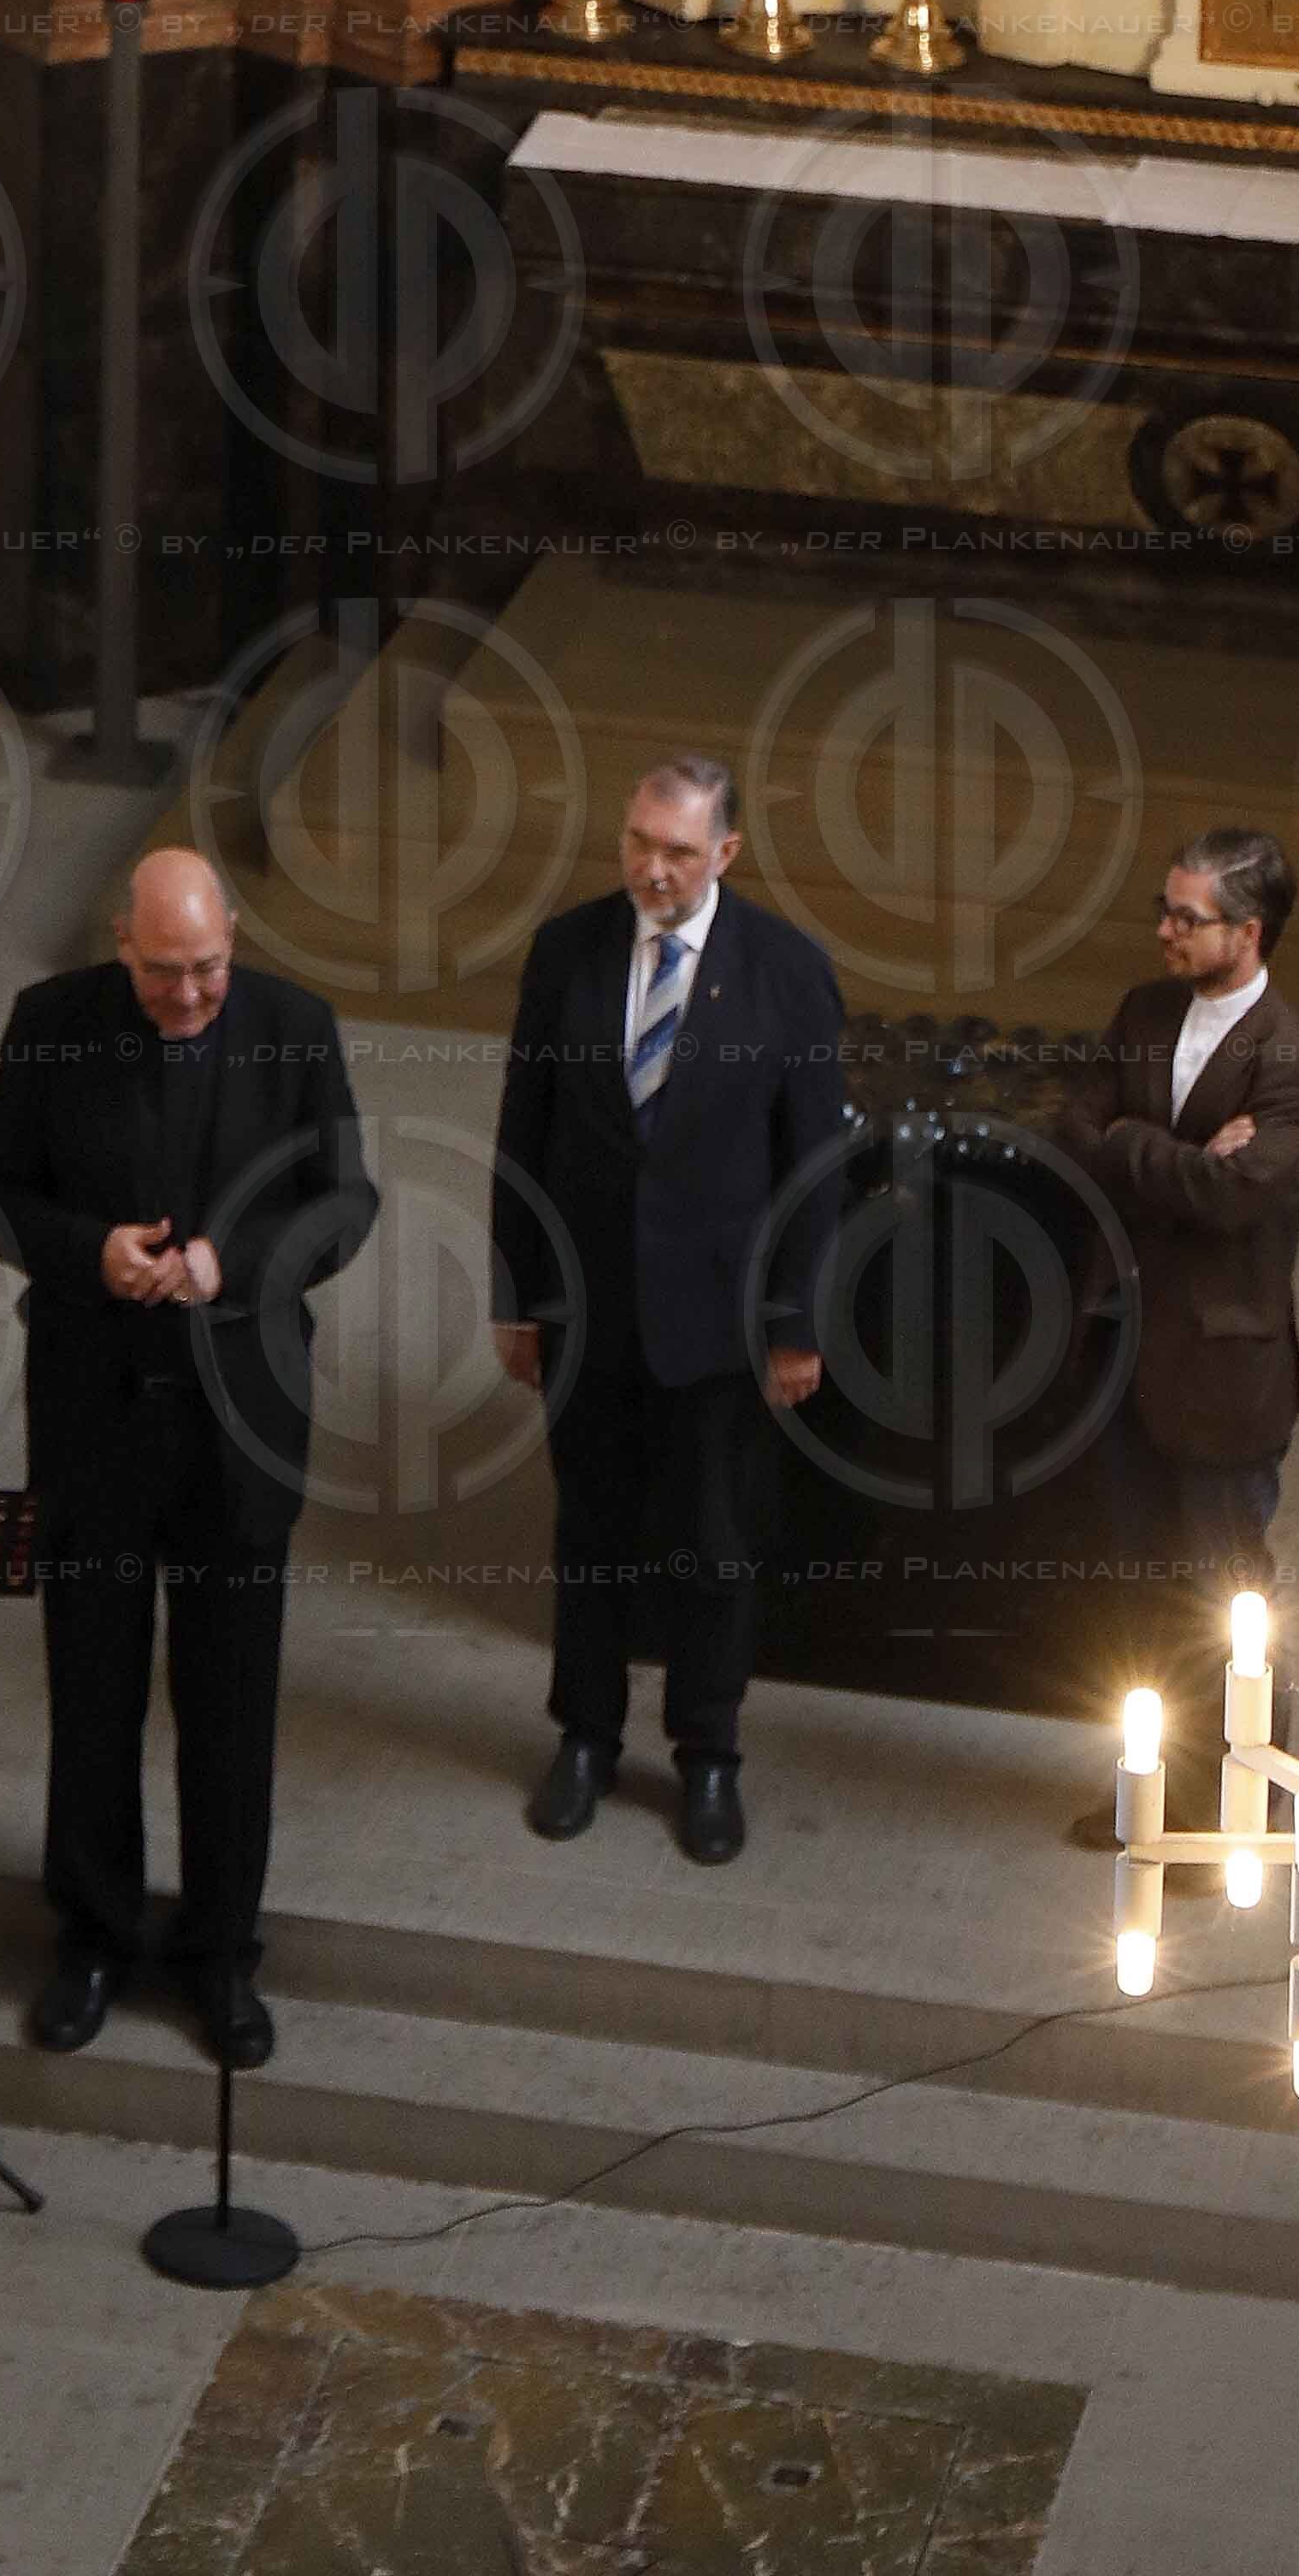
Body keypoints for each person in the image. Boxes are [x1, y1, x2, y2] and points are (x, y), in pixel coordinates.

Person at [0, 848, 378, 2070]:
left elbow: (343, 1202)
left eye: (206, 966)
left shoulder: (296, 1029)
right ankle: (93, 1937)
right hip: (95, 1418)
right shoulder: (50, 1022)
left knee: (231, 1706)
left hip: (236, 1429)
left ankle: (219, 1953)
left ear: (233, 937)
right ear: (121, 943)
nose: (189, 992)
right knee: (92, 1695)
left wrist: (227, 1265)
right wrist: (91, 1252)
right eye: (162, 971)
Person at [487, 756, 848, 1866]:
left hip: (720, 1320)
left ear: (725, 853)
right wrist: (519, 1296)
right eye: (639, 843)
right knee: (589, 1534)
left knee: (712, 1544)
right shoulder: (568, 949)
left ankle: (708, 1753)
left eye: (679, 852)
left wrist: (795, 1323)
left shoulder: (786, 970)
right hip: (588, 1306)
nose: (653, 868)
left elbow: (814, 1164)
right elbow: (524, 1130)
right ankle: (585, 1737)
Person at [1052, 830, 1299, 1693]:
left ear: (1247, 932)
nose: (1164, 931)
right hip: (1123, 1359)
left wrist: (1129, 1142)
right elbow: (1072, 1133)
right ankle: (1154, 1767)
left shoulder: (1290, 1060)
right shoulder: (1143, 1011)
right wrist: (1180, 1156)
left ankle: (1245, 1771)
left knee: (1228, 1604)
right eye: (1163, 910)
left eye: (1187, 918)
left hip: (1221, 1381)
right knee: (1134, 1594)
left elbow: (1232, 1196)